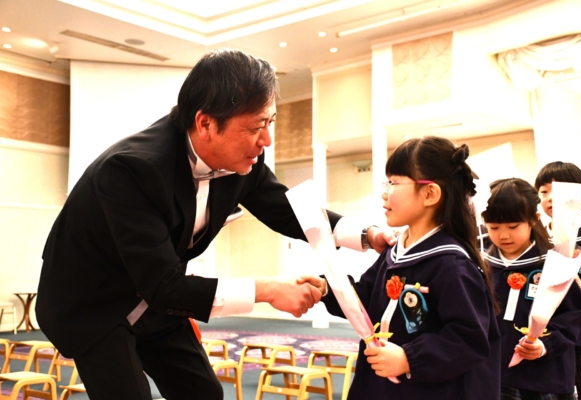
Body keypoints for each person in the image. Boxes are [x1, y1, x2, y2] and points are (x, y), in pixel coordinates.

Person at [35, 49, 394, 400]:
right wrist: (269, 290)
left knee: (203, 392)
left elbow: (286, 209)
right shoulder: (131, 169)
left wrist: (365, 235)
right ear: (205, 123)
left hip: (154, 299)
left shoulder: (240, 158)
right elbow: (164, 286)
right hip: (93, 305)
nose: (266, 140)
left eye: (270, 122)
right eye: (256, 127)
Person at [312, 137, 501, 399]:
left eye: (393, 182)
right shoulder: (396, 250)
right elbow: (367, 298)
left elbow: (469, 339)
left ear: (430, 193)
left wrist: (409, 358)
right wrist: (327, 288)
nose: (385, 193)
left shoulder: (451, 263)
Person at [481, 178, 581, 400]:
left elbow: (573, 315)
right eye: (494, 227)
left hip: (545, 376)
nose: (503, 235)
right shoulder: (481, 265)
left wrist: (545, 345)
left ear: (534, 219)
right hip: (495, 374)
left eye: (513, 226)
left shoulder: (554, 263)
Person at [535, 162, 581, 400]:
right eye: (544, 192)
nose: (551, 198)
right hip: (547, 337)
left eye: (559, 190)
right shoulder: (534, 242)